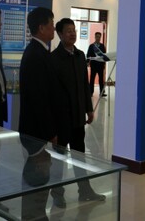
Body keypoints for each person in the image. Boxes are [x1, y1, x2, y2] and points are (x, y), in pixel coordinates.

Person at [50, 18, 106, 206]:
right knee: (59, 158)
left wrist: (89, 109)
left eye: (73, 30)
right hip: (61, 119)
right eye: (68, 31)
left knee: (79, 155)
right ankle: (57, 193)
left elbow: (84, 84)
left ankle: (85, 190)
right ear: (59, 34)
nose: (72, 33)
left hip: (77, 117)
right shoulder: (54, 59)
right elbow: (52, 94)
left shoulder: (80, 55)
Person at [18, 7, 59, 148]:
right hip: (36, 131)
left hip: (37, 128)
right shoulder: (36, 55)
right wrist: (50, 132)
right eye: (51, 24)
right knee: (38, 161)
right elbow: (39, 98)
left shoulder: (39, 51)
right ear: (41, 28)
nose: (54, 28)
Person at [87, 32, 109, 97]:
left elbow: (104, 55)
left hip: (100, 65)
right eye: (97, 36)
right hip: (93, 65)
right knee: (92, 79)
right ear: (95, 37)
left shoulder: (102, 46)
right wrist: (87, 62)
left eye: (99, 37)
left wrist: (104, 64)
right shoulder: (91, 46)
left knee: (101, 79)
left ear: (100, 37)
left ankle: (101, 93)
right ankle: (90, 92)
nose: (98, 38)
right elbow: (88, 55)